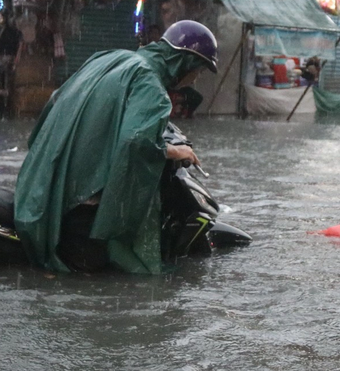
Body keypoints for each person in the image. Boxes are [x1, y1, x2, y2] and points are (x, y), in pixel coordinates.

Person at [14, 20, 218, 274]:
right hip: (79, 206)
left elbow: (56, 100)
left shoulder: (113, 59)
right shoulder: (150, 84)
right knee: (106, 280)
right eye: (197, 72)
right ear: (184, 63)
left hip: (42, 185)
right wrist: (176, 151)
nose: (193, 81)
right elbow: (135, 142)